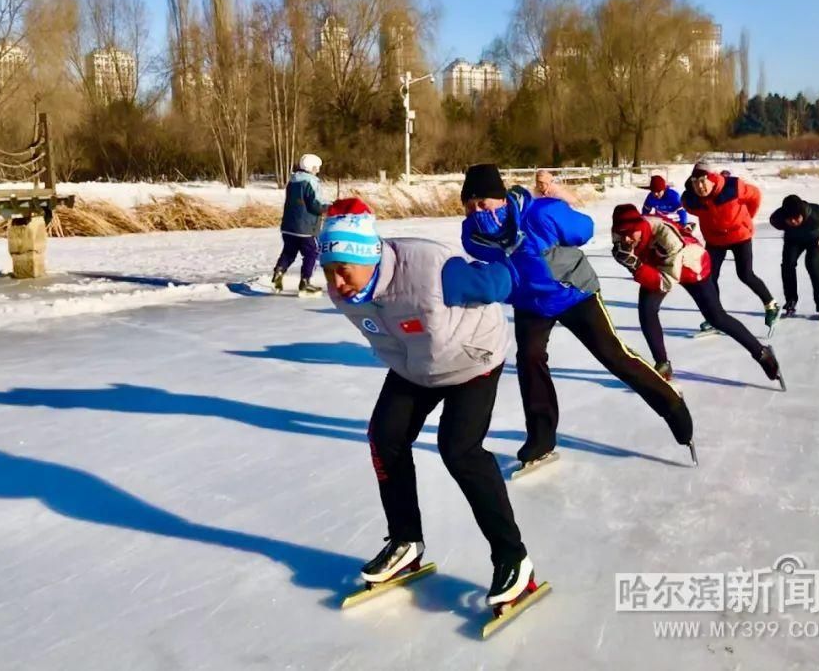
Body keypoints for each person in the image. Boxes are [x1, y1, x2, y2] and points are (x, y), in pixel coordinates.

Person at [319, 197, 537, 607]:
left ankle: (513, 558)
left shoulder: (432, 273)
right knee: (385, 438)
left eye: (342, 270)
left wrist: (507, 258)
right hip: (416, 365)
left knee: (460, 450)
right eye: (327, 271)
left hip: (472, 359)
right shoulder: (347, 291)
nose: (336, 283)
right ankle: (405, 542)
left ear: (366, 256)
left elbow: (499, 283)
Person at [459, 164, 695, 467]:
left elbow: (583, 229)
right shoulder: (474, 237)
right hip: (531, 302)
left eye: (484, 203)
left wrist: (558, 204)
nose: (478, 211)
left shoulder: (540, 214)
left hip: (575, 291)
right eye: (471, 206)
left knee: (612, 353)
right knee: (529, 360)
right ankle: (541, 439)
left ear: (502, 199)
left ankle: (671, 404)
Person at [610, 204, 783, 386]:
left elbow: (665, 282)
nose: (627, 239)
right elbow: (632, 250)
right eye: (622, 234)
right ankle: (663, 364)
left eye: (631, 233)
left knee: (716, 317)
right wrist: (634, 263)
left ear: (640, 226)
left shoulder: (667, 237)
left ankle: (762, 353)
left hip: (690, 263)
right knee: (647, 310)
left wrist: (636, 266)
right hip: (657, 264)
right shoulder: (620, 236)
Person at [680, 162, 779, 332]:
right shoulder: (691, 200)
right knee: (709, 278)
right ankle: (715, 317)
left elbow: (755, 196)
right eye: (695, 183)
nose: (700, 187)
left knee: (745, 274)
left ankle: (771, 304)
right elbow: (689, 208)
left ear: (712, 179)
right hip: (715, 240)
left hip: (739, 236)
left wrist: (746, 218)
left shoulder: (733, 187)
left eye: (703, 181)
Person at [769, 194, 819, 320]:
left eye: (796, 218)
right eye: (789, 219)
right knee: (787, 264)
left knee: (812, 263)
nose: (793, 222)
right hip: (794, 238)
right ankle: (791, 301)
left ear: (802, 214)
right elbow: (779, 222)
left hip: (818, 235)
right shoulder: (777, 219)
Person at [272, 153, 329, 296]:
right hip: (306, 228)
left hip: (289, 226)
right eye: (317, 167)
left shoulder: (293, 181)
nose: (318, 170)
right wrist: (330, 207)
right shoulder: (311, 182)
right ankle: (305, 283)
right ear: (311, 167)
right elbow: (315, 205)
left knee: (289, 252)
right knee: (311, 253)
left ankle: (279, 272)